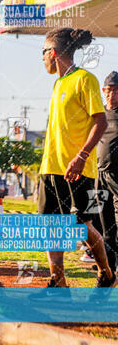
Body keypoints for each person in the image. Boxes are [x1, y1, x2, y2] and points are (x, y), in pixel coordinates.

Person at [38, 27, 114, 288]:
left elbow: (100, 121)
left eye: (44, 52)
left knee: (82, 226)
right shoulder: (58, 83)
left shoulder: (85, 79)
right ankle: (57, 280)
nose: (43, 58)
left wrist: (81, 156)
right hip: (51, 167)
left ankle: (106, 271)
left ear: (54, 52)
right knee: (51, 227)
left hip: (77, 168)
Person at [91, 71, 118, 273]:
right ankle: (108, 265)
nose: (111, 95)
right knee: (102, 224)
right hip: (99, 176)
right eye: (108, 91)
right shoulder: (99, 114)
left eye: (116, 91)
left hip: (117, 176)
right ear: (103, 91)